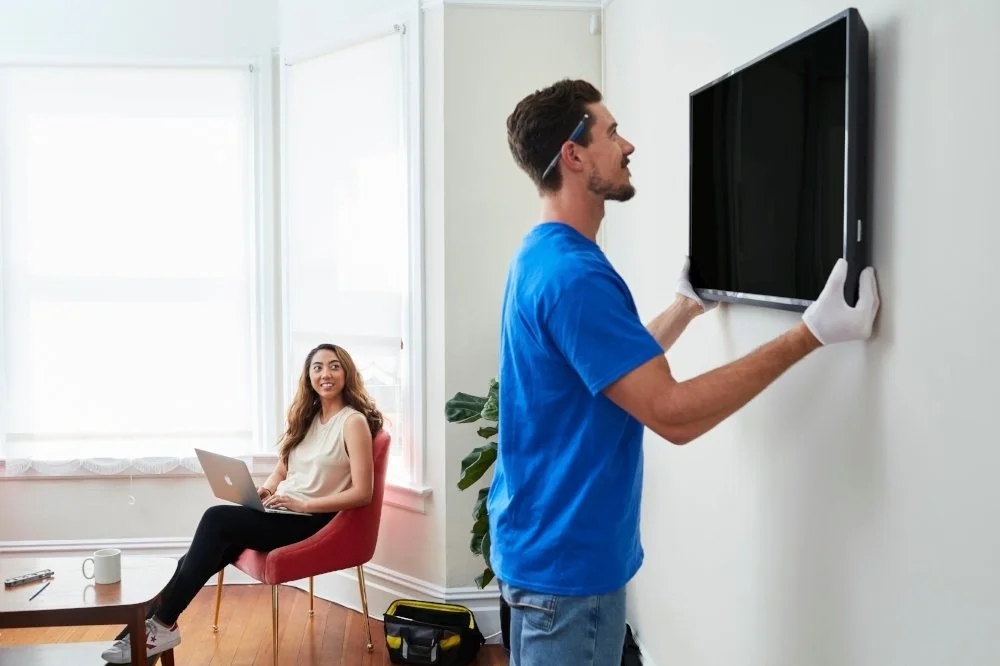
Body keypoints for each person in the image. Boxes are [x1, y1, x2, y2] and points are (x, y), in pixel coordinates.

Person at [490, 79, 880, 666]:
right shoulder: (576, 277)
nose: (628, 145)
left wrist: (684, 308)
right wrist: (810, 334)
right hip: (567, 575)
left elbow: (608, 372)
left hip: (540, 551)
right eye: (612, 132)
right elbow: (671, 414)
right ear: (573, 155)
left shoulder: (542, 256)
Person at [100, 343, 383, 664]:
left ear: (346, 372)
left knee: (217, 519)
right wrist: (267, 488)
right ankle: (143, 637)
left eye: (334, 366)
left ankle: (159, 627)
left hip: (311, 520)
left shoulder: (352, 422)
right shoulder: (308, 418)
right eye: (317, 367)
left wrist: (304, 504)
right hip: (283, 511)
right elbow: (283, 468)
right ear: (308, 377)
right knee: (200, 555)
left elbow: (363, 493)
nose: (325, 374)